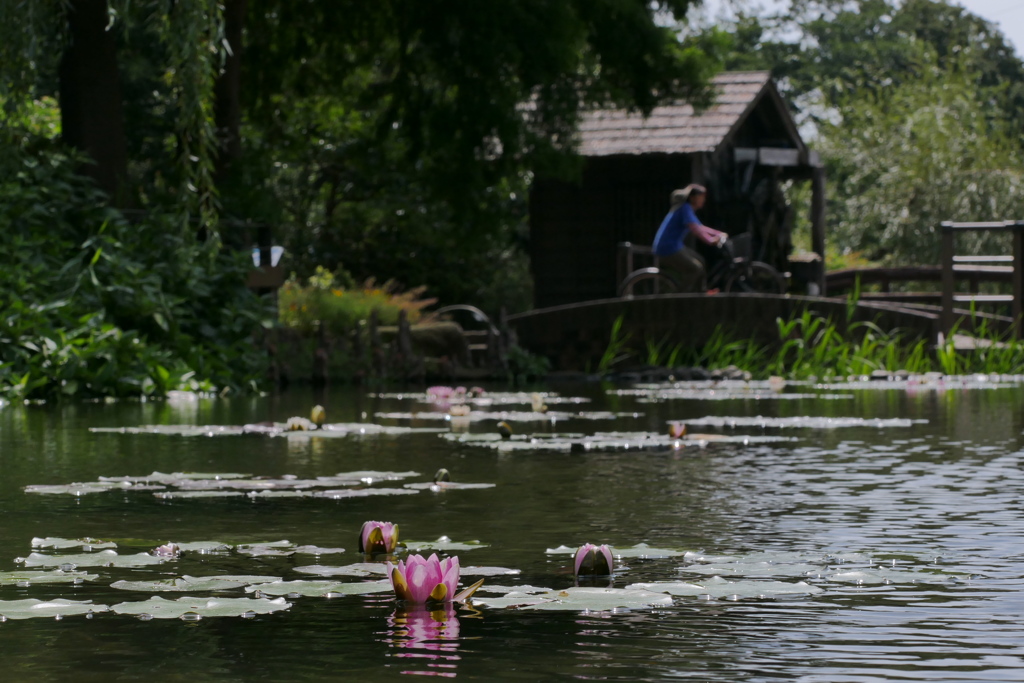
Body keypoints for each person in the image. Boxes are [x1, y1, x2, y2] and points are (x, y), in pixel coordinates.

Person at [652, 184, 728, 293]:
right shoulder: (685, 208)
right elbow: (695, 229)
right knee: (695, 269)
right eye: (701, 197)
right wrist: (710, 240)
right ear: (692, 198)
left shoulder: (687, 209)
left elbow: (700, 227)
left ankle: (701, 293)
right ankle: (681, 297)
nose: (703, 200)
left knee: (700, 260)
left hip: (675, 246)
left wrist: (719, 233)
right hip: (668, 248)